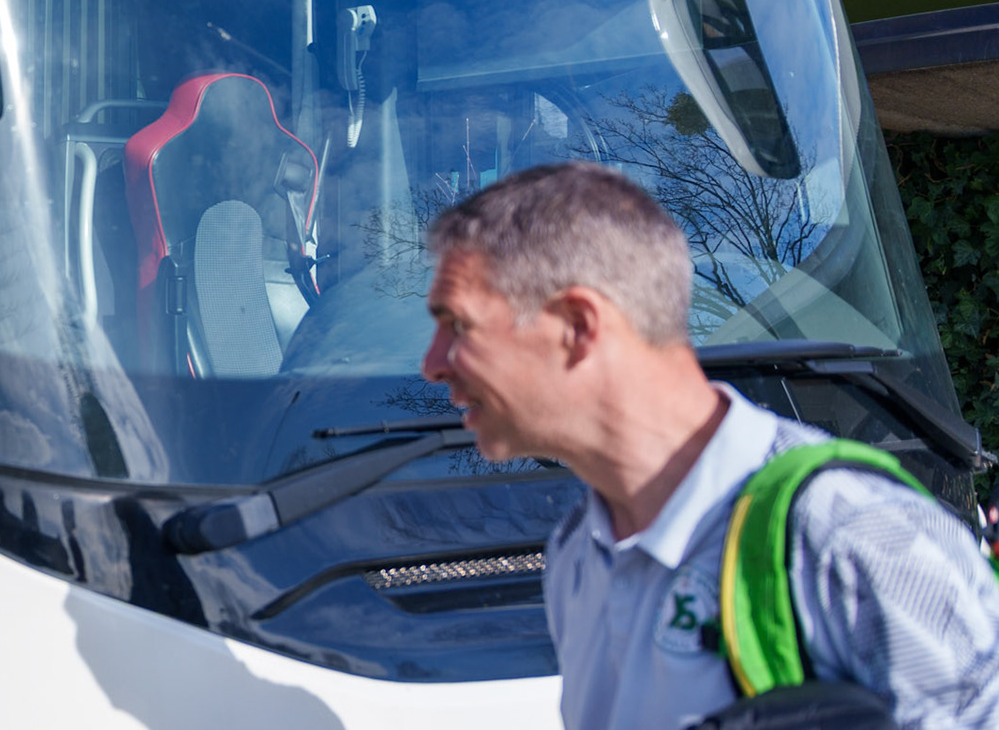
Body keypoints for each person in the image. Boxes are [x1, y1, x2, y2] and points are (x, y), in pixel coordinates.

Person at [419, 161, 999, 729]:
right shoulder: (577, 550)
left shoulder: (849, 534)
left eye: (460, 327)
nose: (431, 365)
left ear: (578, 326)